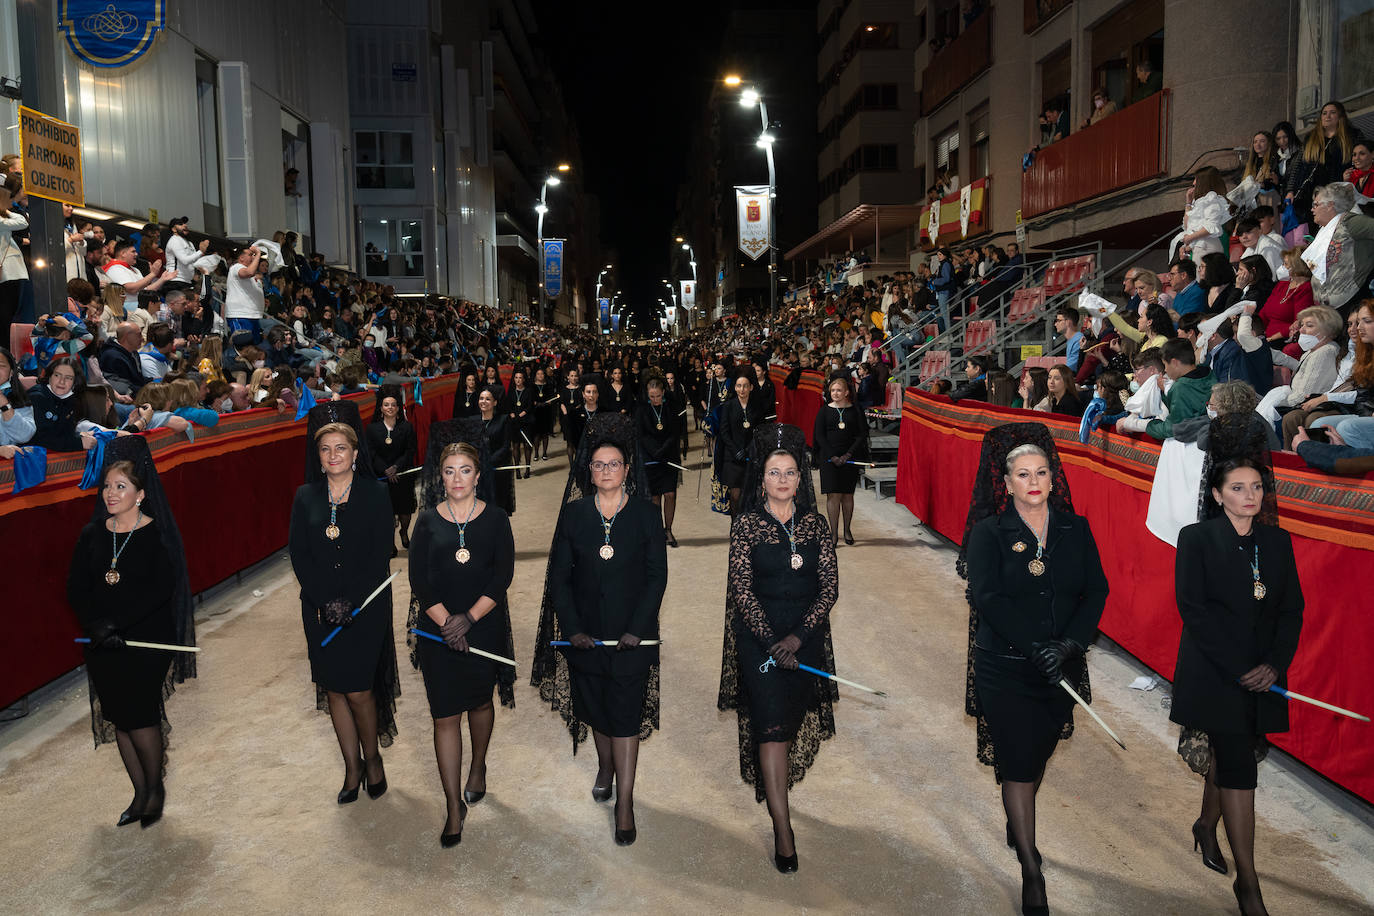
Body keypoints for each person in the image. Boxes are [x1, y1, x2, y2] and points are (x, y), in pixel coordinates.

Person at [960, 424, 1109, 916]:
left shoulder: (1076, 528)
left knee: (1040, 752)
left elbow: (1096, 591)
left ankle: (1016, 813)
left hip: (1060, 666)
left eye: (1041, 472)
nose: (1034, 481)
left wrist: (1069, 643)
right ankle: (1030, 866)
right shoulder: (988, 533)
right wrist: (1032, 646)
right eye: (1023, 474)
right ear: (1006, 483)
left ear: (1052, 476)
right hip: (1005, 666)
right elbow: (988, 597)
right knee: (1019, 763)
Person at [1172, 441, 1303, 916]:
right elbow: (1194, 611)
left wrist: (1274, 664)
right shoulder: (1196, 538)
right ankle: (1249, 883)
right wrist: (1239, 668)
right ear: (1217, 493)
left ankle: (1207, 825)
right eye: (1238, 488)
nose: (1251, 495)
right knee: (1239, 767)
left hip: (1262, 674)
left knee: (1233, 754)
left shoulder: (1278, 541)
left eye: (1257, 487)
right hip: (1216, 673)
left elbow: (1292, 610)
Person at [530, 414, 667, 846]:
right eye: (598, 465)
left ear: (628, 470)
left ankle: (624, 801)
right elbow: (560, 579)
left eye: (614, 464)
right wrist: (571, 629)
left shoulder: (647, 515)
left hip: (632, 638)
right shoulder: (573, 516)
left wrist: (638, 627)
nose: (606, 471)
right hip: (585, 636)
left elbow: (655, 578)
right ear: (588, 472)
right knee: (599, 713)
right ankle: (605, 766)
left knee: (625, 717)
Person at [718, 422, 839, 873]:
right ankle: (782, 828)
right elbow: (742, 590)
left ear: (800, 477)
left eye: (790, 472)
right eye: (774, 472)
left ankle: (780, 803)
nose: (783, 480)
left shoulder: (816, 524)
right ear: (762, 478)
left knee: (790, 721)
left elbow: (829, 588)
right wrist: (772, 641)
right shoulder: (747, 525)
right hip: (760, 641)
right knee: (769, 726)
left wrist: (797, 638)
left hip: (803, 638)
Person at [64, 437, 197, 827]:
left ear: (140, 494)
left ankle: (155, 789)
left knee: (140, 716)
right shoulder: (92, 534)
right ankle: (139, 792)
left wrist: (119, 625)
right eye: (107, 486)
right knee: (120, 718)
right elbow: (76, 588)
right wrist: (97, 625)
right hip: (102, 642)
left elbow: (161, 591)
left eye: (120, 487)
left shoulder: (156, 535)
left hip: (144, 641)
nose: (110, 493)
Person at [406, 422, 517, 848]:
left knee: (479, 702)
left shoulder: (496, 520)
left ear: (478, 474)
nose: (456, 479)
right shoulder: (427, 521)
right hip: (438, 633)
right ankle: (454, 805)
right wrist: (446, 624)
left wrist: (467, 619)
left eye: (465, 470)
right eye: (449, 471)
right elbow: (419, 580)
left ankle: (479, 766)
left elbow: (501, 575)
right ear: (440, 475)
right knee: (444, 715)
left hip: (482, 626)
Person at [287, 403, 399, 805]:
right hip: (318, 609)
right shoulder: (304, 496)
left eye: (341, 448)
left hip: (365, 606)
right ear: (317, 457)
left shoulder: (374, 493)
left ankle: (373, 759)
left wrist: (349, 601)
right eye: (325, 450)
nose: (333, 456)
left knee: (359, 690)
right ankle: (351, 767)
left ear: (355, 453)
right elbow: (299, 553)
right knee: (334, 689)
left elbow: (377, 555)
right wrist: (323, 600)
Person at [813, 375, 869, 546]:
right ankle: (833, 533)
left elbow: (861, 434)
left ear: (846, 392)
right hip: (830, 459)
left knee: (847, 495)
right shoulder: (824, 410)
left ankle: (847, 530)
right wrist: (833, 456)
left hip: (849, 457)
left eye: (838, 390)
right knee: (833, 495)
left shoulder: (855, 410)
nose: (835, 393)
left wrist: (848, 455)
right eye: (832, 390)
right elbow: (819, 436)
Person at [365, 385, 418, 556]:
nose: (390, 408)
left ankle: (403, 531)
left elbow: (410, 451)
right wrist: (386, 470)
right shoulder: (372, 429)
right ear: (381, 408)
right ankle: (390, 542)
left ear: (398, 408)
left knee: (405, 511)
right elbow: (371, 453)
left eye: (393, 405)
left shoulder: (407, 427)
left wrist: (396, 467)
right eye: (386, 405)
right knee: (387, 513)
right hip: (382, 478)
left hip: (402, 475)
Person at [638, 376, 683, 548]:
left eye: (658, 396)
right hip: (650, 459)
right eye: (652, 396)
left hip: (668, 456)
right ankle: (657, 531)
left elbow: (674, 432)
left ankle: (668, 530)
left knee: (670, 494)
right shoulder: (642, 409)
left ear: (663, 393)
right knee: (655, 497)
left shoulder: (670, 408)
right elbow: (642, 435)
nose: (655, 399)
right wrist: (654, 452)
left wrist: (663, 451)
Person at [717, 369, 768, 514]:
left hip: (751, 456)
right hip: (732, 458)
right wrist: (736, 450)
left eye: (745, 386)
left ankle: (749, 527)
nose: (742, 389)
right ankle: (736, 525)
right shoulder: (728, 406)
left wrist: (749, 449)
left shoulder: (757, 407)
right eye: (739, 386)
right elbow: (724, 432)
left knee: (751, 495)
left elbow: (760, 431)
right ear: (735, 387)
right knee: (735, 495)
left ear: (751, 387)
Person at [477, 387, 516, 515]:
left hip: (497, 472)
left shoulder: (503, 420)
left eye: (488, 399)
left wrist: (488, 462)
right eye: (481, 398)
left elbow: (505, 447)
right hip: (479, 474)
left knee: (498, 510)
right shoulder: (474, 422)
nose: (484, 401)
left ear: (495, 403)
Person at [0, 345, 36, 447]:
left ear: (11, 372)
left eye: (1, 365)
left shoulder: (17, 397)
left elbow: (24, 436)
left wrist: (5, 405)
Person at [507, 367, 534, 478]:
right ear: (514, 379)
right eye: (516, 378)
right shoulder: (511, 392)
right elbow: (508, 406)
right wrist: (512, 414)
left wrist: (522, 413)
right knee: (516, 446)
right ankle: (517, 470)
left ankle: (527, 469)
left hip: (526, 421)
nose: (518, 380)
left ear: (523, 379)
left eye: (520, 378)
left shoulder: (528, 391)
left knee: (527, 445)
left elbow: (530, 406)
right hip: (514, 422)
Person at [531, 366, 557, 461]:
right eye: (538, 374)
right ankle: (536, 452)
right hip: (536, 413)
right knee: (537, 434)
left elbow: (552, 397)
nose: (540, 375)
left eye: (542, 374)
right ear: (535, 376)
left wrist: (549, 402)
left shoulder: (548, 385)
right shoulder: (532, 386)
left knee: (545, 434)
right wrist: (535, 403)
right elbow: (530, 399)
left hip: (546, 412)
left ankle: (545, 452)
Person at [558, 367, 582, 458]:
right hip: (567, 417)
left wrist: (575, 411)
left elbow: (581, 403)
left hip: (578, 418)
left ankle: (577, 464)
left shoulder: (581, 389)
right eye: (571, 376)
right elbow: (562, 403)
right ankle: (572, 465)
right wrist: (566, 415)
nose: (574, 377)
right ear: (568, 377)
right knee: (569, 442)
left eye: (575, 376)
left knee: (578, 442)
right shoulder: (563, 389)